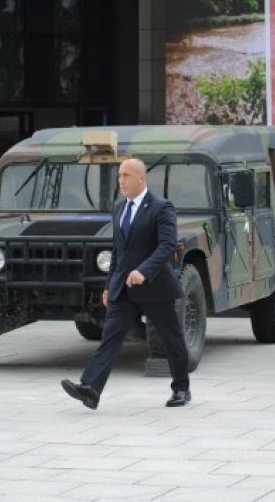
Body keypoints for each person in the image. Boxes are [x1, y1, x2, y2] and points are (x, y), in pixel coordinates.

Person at [61, 158, 191, 409]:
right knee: (110, 337)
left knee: (171, 339)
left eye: (126, 175)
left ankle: (181, 389)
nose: (121, 180)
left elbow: (167, 246)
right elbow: (118, 252)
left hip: (155, 286)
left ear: (141, 178)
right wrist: (110, 285)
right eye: (120, 175)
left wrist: (144, 270)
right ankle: (90, 389)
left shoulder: (161, 207)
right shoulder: (120, 208)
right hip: (124, 287)